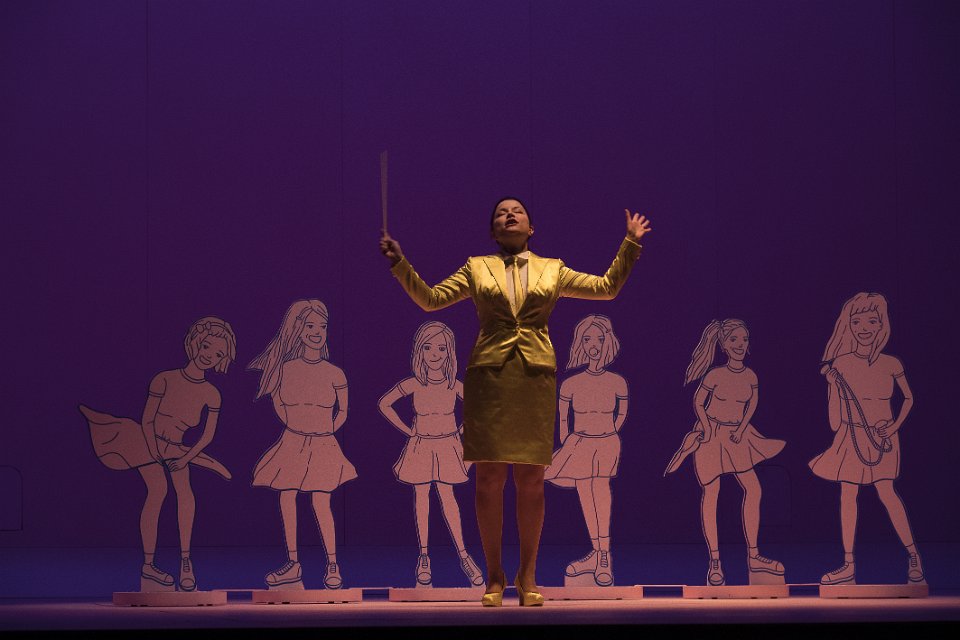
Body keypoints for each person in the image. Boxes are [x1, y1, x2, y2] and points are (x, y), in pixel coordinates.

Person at [380, 198, 650, 606]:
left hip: (533, 377)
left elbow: (606, 288)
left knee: (531, 479)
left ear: (531, 228)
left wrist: (630, 243)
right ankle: (494, 576)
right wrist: (400, 263)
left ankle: (528, 574)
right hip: (489, 378)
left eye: (517, 211)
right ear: (493, 231)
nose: (509, 215)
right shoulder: (476, 267)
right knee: (488, 478)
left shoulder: (552, 269)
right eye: (501, 214)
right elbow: (431, 299)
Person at [81, 317, 237, 592]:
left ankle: (185, 562)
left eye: (217, 354)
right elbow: (148, 419)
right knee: (158, 490)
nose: (209, 356)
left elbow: (207, 435)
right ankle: (148, 565)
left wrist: (184, 458)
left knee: (185, 494)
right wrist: (155, 452)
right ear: (195, 343)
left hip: (177, 450)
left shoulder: (211, 394)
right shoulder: (165, 379)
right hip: (148, 444)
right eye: (206, 347)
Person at [809, 292, 924, 585]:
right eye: (857, 321)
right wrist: (833, 387)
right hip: (851, 438)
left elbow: (909, 398)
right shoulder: (841, 364)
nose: (864, 328)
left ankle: (913, 555)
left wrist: (894, 426)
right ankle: (848, 564)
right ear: (849, 325)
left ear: (881, 324)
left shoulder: (891, 363)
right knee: (848, 494)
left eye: (872, 321)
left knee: (887, 492)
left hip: (882, 438)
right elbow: (834, 421)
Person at [668, 319, 785, 586]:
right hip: (711, 436)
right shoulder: (715, 375)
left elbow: (752, 403)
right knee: (712, 493)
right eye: (734, 340)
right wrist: (707, 427)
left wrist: (742, 428)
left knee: (753, 488)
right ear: (723, 345)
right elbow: (699, 401)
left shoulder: (750, 376)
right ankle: (715, 562)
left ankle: (754, 555)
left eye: (744, 339)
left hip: (736, 436)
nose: (740, 345)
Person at [249, 299, 357, 590]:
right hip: (293, 441)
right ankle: (293, 563)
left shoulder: (335, 373)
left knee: (321, 500)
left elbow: (343, 410)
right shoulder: (284, 369)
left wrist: (326, 431)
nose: (316, 332)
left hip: (322, 443)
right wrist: (296, 426)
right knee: (287, 496)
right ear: (297, 329)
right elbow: (278, 402)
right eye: (310, 326)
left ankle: (332, 564)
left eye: (322, 326)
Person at [378, 321, 484, 587]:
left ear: (449, 352)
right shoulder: (414, 383)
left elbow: (479, 407)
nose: (434, 354)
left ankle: (464, 555)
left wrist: (462, 429)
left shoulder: (454, 385)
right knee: (422, 497)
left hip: (447, 446)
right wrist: (408, 431)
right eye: (428, 347)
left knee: (449, 498)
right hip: (421, 446)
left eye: (441, 348)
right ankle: (424, 556)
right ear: (419, 351)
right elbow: (385, 403)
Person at [546, 314, 627, 587]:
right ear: (580, 343)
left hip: (606, 443)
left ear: (608, 342)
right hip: (579, 444)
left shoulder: (617, 382)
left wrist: (610, 431)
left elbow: (622, 412)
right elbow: (563, 418)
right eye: (587, 339)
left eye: (599, 339)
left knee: (600, 492)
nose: (594, 345)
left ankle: (604, 556)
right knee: (585, 495)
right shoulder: (571, 383)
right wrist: (567, 441)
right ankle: (596, 551)